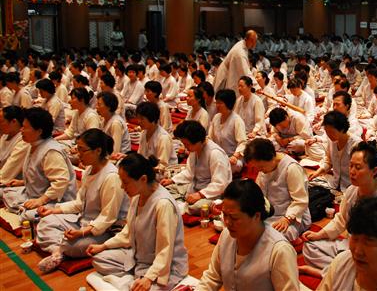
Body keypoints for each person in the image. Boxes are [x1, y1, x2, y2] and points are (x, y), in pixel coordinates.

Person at [88, 153, 189, 291]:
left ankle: (129, 282)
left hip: (167, 266)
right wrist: (104, 246)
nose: (122, 187)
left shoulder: (163, 204)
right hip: (139, 258)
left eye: (126, 182)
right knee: (99, 259)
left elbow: (166, 249)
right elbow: (128, 232)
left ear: (143, 179)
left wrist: (149, 278)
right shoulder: (137, 195)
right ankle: (131, 281)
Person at [35, 129, 129, 273]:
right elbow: (79, 203)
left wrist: (81, 233)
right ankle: (59, 251)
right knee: (45, 223)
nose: (78, 154)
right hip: (83, 220)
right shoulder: (89, 170)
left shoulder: (111, 177)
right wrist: (53, 210)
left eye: (82, 150)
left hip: (104, 230)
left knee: (73, 246)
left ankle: (63, 249)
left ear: (98, 151)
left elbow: (108, 218)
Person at [301, 141, 377, 271]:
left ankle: (336, 271)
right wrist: (320, 235)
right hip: (349, 246)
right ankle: (342, 270)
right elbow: (341, 219)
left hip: (369, 253)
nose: (352, 172)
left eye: (358, 167)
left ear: (374, 171)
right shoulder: (352, 190)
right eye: (350, 166)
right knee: (310, 246)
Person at [195, 179, 299, 291]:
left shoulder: (279, 251)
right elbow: (212, 277)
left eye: (234, 218)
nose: (227, 222)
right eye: (224, 215)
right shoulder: (226, 235)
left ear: (256, 216)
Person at [2, 108, 77, 221]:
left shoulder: (51, 151)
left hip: (55, 200)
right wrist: (23, 182)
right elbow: (40, 174)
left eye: (25, 127)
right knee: (5, 193)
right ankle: (24, 208)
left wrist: (41, 200)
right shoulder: (33, 144)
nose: (21, 130)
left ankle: (25, 210)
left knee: (29, 216)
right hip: (34, 192)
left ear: (39, 131)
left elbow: (61, 181)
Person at [244, 138, 311, 241]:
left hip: (291, 216)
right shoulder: (264, 166)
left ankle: (294, 239)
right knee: (244, 227)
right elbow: (259, 193)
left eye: (261, 167)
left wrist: (287, 219)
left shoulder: (291, 168)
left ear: (271, 157)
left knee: (272, 237)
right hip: (269, 213)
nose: (260, 171)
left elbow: (300, 200)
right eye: (257, 168)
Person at [161, 121, 231, 216]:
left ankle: (179, 205)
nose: (186, 147)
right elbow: (189, 173)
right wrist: (172, 180)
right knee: (167, 189)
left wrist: (199, 195)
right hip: (195, 186)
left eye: (187, 144)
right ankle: (181, 204)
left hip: (212, 194)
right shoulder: (194, 150)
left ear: (198, 141)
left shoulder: (215, 153)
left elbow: (220, 184)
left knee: (196, 207)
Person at [308, 111, 360, 192]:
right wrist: (317, 173)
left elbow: (361, 172)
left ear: (342, 129)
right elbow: (329, 162)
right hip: (335, 183)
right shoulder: (331, 140)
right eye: (326, 132)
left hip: (351, 186)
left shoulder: (356, 145)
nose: (329, 135)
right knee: (309, 184)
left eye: (331, 132)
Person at [208, 89, 247, 173]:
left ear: (228, 104)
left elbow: (243, 142)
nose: (217, 105)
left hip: (232, 158)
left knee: (229, 166)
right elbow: (210, 138)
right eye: (216, 102)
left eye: (220, 103)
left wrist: (235, 156)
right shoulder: (216, 117)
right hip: (218, 155)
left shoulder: (237, 120)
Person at [136, 102, 177, 170]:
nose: (138, 121)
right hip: (148, 168)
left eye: (142, 119)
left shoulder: (163, 138)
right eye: (138, 118)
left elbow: (162, 165)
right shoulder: (144, 133)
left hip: (164, 173)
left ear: (152, 119)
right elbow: (140, 156)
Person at [97, 92, 131, 159]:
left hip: (119, 159)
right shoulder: (105, 119)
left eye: (99, 104)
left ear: (108, 107)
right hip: (107, 154)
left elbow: (115, 152)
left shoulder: (116, 123)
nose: (96, 107)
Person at [0, 106, 30, 184]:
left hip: (13, 182)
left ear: (13, 121)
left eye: (1, 122)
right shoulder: (5, 135)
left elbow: (5, 174)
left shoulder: (24, 141)